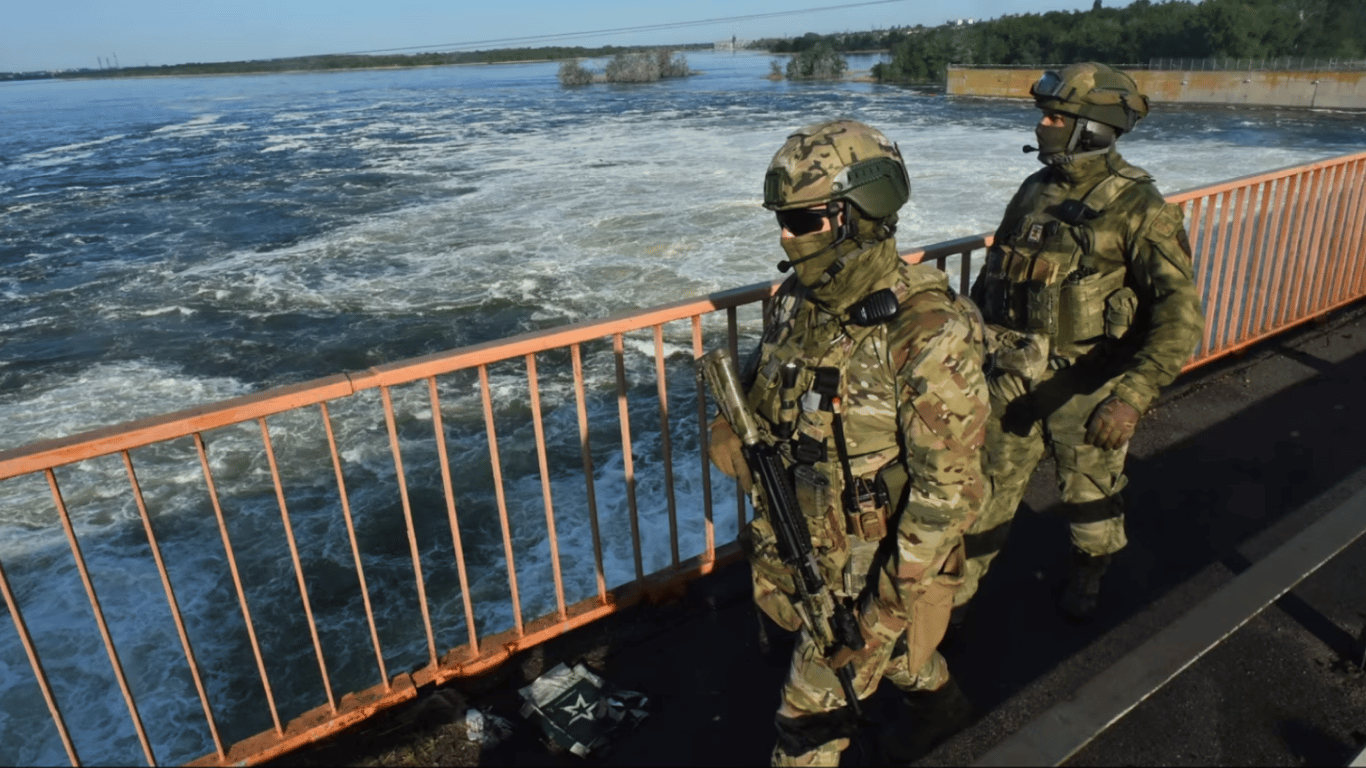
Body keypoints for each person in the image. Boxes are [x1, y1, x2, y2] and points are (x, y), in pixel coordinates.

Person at [706, 119, 991, 765]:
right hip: (800, 545)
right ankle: (943, 707)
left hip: (874, 576)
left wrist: (877, 621)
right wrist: (728, 422)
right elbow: (760, 381)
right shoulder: (796, 302)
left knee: (803, 727)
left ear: (860, 214)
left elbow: (949, 497)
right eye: (783, 219)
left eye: (803, 221)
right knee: (894, 668)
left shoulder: (925, 330)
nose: (785, 236)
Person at [957, 62, 1206, 622]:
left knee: (1090, 496)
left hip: (1087, 387)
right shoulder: (1035, 189)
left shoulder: (1141, 209)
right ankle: (956, 602)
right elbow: (995, 276)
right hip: (1013, 379)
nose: (1043, 126)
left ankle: (1090, 575)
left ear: (1091, 129)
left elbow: (1180, 316)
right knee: (985, 493)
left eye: (1055, 117)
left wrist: (1132, 396)